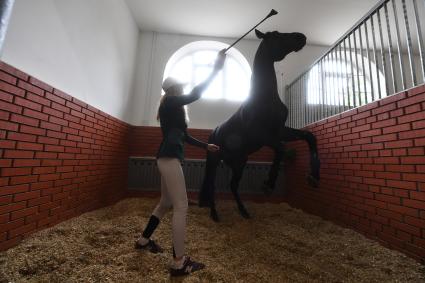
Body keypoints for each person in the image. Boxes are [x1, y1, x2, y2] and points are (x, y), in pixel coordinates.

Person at [135, 49, 226, 277]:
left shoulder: (173, 107)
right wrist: (216, 68)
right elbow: (196, 93)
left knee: (166, 202)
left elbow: (183, 136)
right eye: (181, 86)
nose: (184, 88)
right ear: (176, 89)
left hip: (165, 158)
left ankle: (144, 240)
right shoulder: (171, 102)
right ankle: (179, 262)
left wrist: (206, 146)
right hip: (168, 158)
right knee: (182, 206)